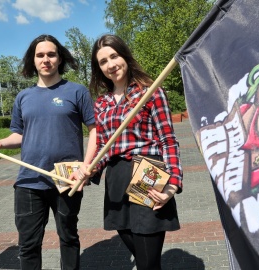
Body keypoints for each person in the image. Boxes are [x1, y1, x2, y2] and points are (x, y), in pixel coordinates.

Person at [0, 34, 96, 270]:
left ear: (60, 58)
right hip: (29, 181)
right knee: (28, 245)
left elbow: (95, 130)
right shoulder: (23, 97)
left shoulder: (77, 92)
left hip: (66, 179)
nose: (46, 59)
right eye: (40, 55)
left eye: (51, 54)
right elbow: (19, 135)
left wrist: (86, 166)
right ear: (33, 60)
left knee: (68, 238)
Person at [75, 34, 183, 270]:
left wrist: (172, 184)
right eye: (103, 61)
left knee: (146, 261)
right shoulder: (101, 103)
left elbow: (168, 140)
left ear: (125, 55)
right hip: (115, 178)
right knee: (141, 253)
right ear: (99, 68)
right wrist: (87, 169)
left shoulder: (150, 91)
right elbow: (103, 148)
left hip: (147, 171)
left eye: (114, 56)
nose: (110, 65)